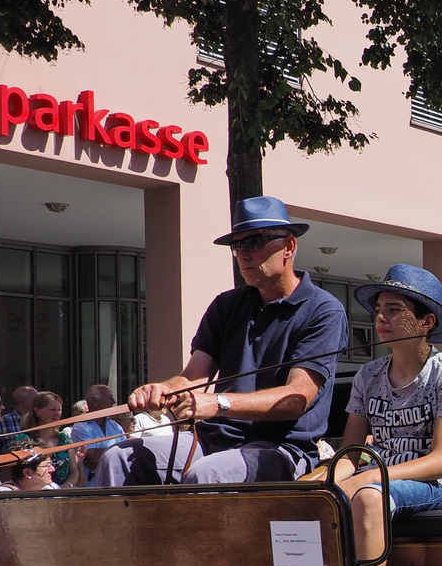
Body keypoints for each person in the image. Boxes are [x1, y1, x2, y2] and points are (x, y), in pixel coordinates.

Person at [96, 196, 347, 485]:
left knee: (206, 474)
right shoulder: (226, 305)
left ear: (288, 246)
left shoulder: (323, 309)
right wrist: (161, 389)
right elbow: (193, 377)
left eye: (255, 242)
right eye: (237, 245)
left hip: (281, 448)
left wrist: (218, 403)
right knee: (117, 457)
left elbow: (296, 398)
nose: (243, 254)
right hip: (214, 439)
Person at [330, 266, 442, 566]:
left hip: (435, 486)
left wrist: (366, 479)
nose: (380, 317)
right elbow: (351, 452)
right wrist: (327, 480)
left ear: (426, 322)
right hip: (377, 478)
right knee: (309, 493)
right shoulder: (368, 374)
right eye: (378, 309)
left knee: (368, 497)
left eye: (394, 309)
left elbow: (441, 461)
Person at [69, 384, 127, 482]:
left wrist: (104, 454)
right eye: (110, 398)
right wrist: (119, 451)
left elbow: (126, 452)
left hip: (116, 483)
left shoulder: (114, 425)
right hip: (93, 487)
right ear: (95, 402)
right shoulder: (80, 427)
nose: (114, 402)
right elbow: (93, 457)